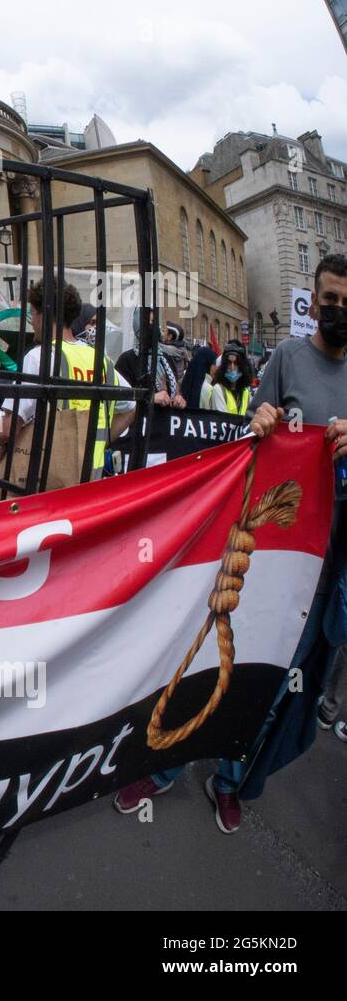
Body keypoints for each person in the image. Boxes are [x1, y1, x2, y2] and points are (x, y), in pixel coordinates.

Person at [116, 253, 347, 831]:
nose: (338, 311)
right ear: (315, 302)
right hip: (265, 548)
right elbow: (251, 430)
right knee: (222, 656)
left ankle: (230, 780)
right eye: (330, 301)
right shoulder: (289, 358)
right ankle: (167, 766)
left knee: (274, 679)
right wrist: (262, 420)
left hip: (322, 567)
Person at [0, 280, 135, 479]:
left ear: (43, 315)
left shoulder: (41, 356)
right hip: (90, 479)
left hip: (49, 482)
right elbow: (131, 408)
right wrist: (100, 442)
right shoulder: (101, 361)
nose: (32, 321)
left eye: (33, 314)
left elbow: (8, 426)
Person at [206, 343, 254, 415]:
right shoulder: (218, 389)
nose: (232, 367)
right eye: (229, 363)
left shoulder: (246, 393)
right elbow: (222, 419)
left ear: (241, 366)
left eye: (235, 363)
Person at [179, 344, 218, 410]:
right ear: (207, 365)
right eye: (214, 364)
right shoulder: (210, 390)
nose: (216, 368)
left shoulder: (185, 383)